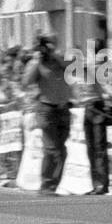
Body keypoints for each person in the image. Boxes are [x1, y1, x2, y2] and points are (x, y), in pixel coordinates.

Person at [22, 34, 72, 196]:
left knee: (62, 150)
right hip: (46, 109)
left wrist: (55, 56)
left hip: (63, 109)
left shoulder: (61, 59)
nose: (47, 49)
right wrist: (36, 61)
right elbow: (26, 82)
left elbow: (74, 68)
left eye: (50, 45)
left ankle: (52, 185)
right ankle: (47, 184)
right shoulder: (37, 63)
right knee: (52, 149)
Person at [74, 55, 111, 195]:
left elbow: (107, 89)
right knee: (90, 148)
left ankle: (103, 184)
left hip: (97, 107)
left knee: (99, 147)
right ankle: (94, 183)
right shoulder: (78, 76)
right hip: (86, 108)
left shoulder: (95, 71)